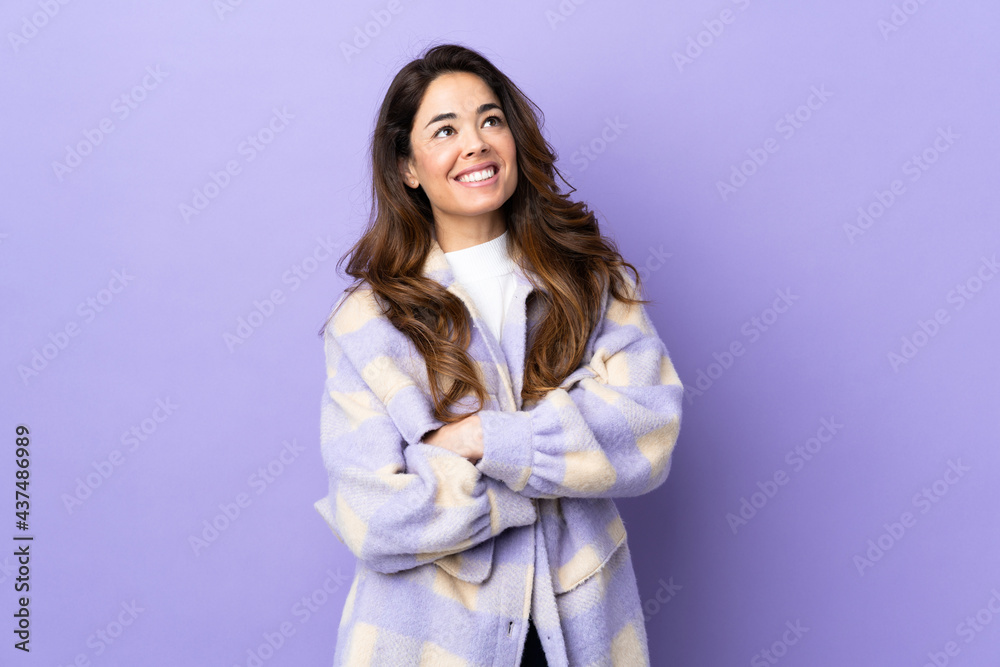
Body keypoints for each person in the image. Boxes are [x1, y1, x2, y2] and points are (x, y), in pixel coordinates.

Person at [313, 42, 684, 666]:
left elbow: (646, 434)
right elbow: (375, 516)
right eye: (445, 129)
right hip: (423, 642)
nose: (476, 143)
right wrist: (549, 477)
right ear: (408, 166)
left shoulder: (594, 282)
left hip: (581, 632)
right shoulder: (366, 323)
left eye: (490, 120)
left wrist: (480, 438)